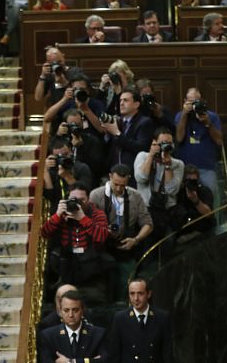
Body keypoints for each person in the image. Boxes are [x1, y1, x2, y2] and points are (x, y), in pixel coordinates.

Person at [108, 277, 174, 363]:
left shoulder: (162, 317)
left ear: (148, 294)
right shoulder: (120, 318)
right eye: (132, 294)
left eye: (140, 293)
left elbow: (167, 351)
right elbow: (115, 353)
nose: (136, 298)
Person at [89, 164, 154, 299]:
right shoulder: (96, 195)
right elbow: (88, 224)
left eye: (123, 185)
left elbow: (148, 224)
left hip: (127, 248)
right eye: (116, 184)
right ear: (110, 177)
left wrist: (136, 239)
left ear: (128, 180)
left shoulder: (135, 196)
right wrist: (102, 231)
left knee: (126, 287)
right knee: (103, 289)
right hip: (102, 248)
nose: (119, 188)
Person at [41, 182, 110, 304]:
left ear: (88, 200)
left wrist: (83, 218)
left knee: (96, 301)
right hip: (68, 266)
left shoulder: (97, 213)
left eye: (82, 200)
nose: (78, 203)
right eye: (74, 199)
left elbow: (102, 237)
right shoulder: (62, 213)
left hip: (92, 269)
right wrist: (57, 215)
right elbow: (45, 233)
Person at [134, 128, 185, 235]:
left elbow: (172, 190)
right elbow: (141, 178)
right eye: (163, 143)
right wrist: (151, 155)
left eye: (169, 143)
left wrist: (167, 166)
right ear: (154, 143)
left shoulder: (178, 164)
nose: (166, 146)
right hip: (146, 209)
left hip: (167, 211)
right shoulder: (143, 156)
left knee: (167, 242)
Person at [174, 87, 223, 193]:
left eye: (196, 102)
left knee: (209, 198)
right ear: (185, 102)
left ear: (202, 101)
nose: (193, 106)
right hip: (186, 168)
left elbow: (219, 141)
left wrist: (208, 123)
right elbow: (179, 138)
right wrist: (184, 115)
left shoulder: (212, 116)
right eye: (190, 102)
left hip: (206, 167)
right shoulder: (180, 116)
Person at [102, 90, 155, 178]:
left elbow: (141, 147)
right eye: (120, 100)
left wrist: (117, 133)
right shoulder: (117, 121)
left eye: (125, 100)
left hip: (133, 172)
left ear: (136, 104)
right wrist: (107, 133)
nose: (121, 103)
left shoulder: (144, 122)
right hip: (114, 171)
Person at [43, 137, 93, 210]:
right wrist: (45, 171)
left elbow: (85, 192)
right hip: (58, 210)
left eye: (65, 154)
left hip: (79, 208)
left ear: (70, 151)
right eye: (58, 156)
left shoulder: (82, 168)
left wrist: (67, 177)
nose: (62, 159)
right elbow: (49, 196)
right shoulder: (52, 170)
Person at [172, 165, 215, 236]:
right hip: (185, 232)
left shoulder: (204, 191)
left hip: (204, 230)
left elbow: (209, 214)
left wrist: (196, 200)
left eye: (194, 181)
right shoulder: (179, 193)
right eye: (188, 181)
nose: (191, 184)